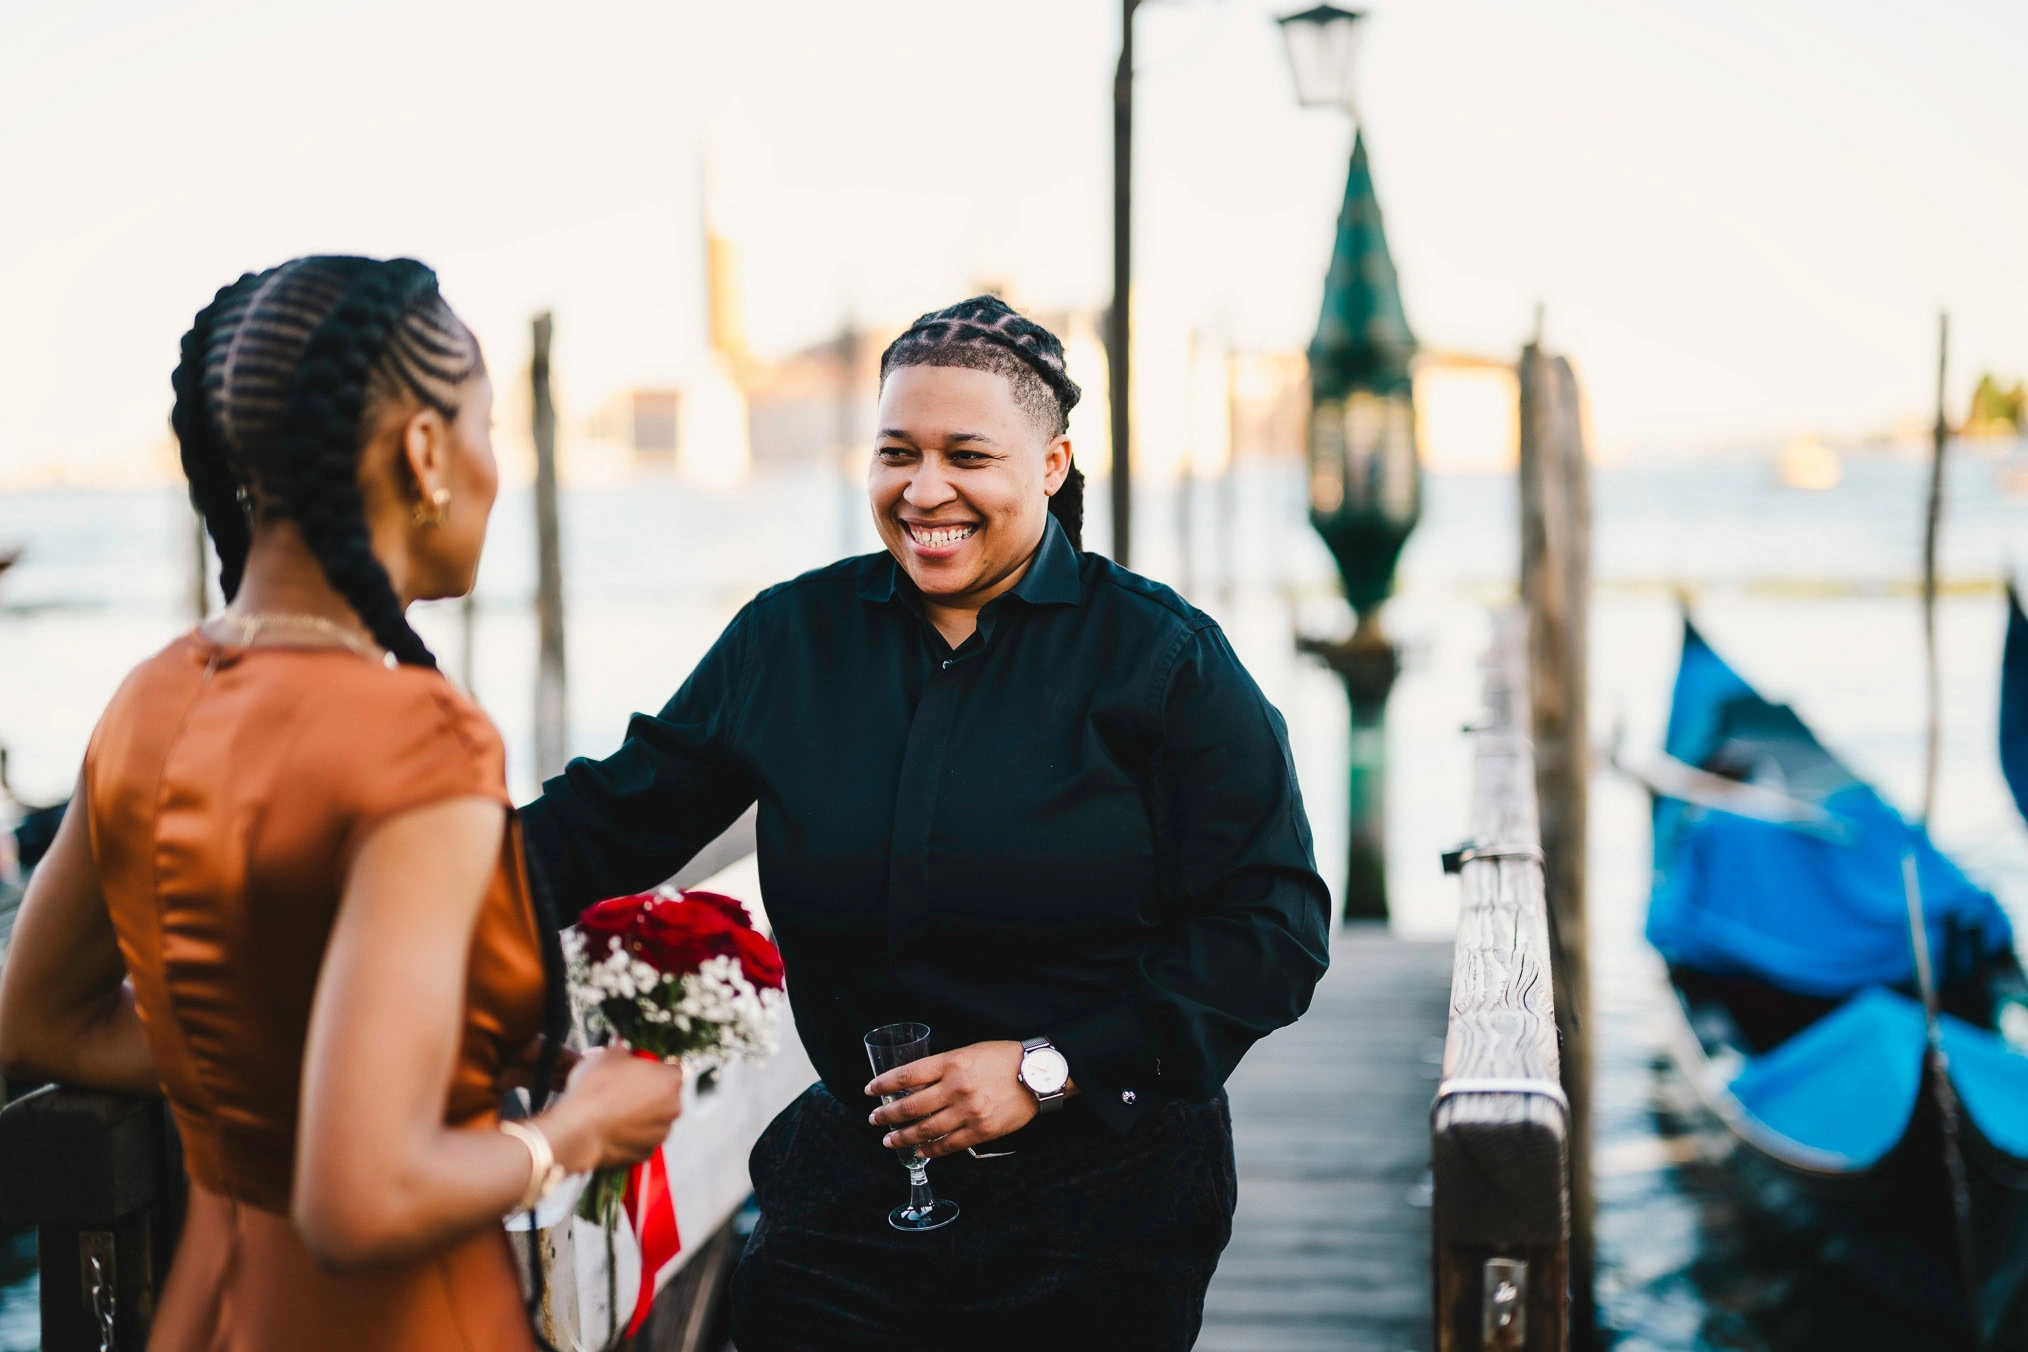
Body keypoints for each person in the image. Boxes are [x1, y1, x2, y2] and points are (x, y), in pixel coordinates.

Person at [521, 295, 1331, 1349]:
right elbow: (600, 824)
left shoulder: (1164, 661)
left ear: (1050, 465)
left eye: (968, 454)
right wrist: (386, 881)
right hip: (852, 1202)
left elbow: (1272, 930)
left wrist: (1047, 1066)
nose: (925, 488)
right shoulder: (790, 641)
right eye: (897, 451)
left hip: (1104, 1215)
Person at [0, 256, 685, 1351]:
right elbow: (358, 1196)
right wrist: (574, 1127)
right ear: (424, 450)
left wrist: (261, 1075)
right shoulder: (421, 740)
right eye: (488, 425)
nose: (496, 465)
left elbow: (36, 1021)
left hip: (214, 1307)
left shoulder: (150, 698)